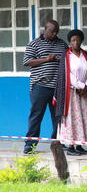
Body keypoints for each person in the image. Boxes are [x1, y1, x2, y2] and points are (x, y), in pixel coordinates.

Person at [23, 20, 68, 154]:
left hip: (57, 88)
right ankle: (30, 145)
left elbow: (68, 61)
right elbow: (27, 62)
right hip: (40, 86)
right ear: (45, 29)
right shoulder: (34, 43)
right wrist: (47, 59)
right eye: (52, 31)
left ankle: (57, 143)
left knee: (58, 117)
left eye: (56, 32)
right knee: (36, 116)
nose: (54, 34)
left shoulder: (62, 44)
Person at [54, 30, 87, 156]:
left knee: (83, 118)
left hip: (84, 94)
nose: (76, 42)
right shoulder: (66, 55)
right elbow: (67, 74)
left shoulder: (84, 54)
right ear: (70, 42)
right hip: (71, 93)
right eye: (73, 40)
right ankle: (71, 147)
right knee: (72, 119)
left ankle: (79, 145)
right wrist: (80, 85)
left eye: (78, 40)